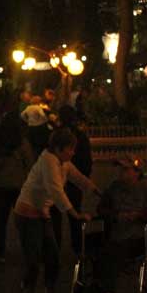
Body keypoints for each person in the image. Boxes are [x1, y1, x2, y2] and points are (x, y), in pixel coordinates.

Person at [13, 128, 99, 293]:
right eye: (70, 149)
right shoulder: (48, 162)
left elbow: (79, 178)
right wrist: (74, 214)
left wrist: (96, 191)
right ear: (59, 149)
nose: (73, 152)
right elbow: (56, 191)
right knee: (33, 258)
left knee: (52, 256)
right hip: (28, 215)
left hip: (42, 213)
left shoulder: (63, 163)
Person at [92, 157, 147, 293]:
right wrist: (115, 216)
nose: (121, 173)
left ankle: (107, 291)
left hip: (139, 236)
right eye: (120, 170)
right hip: (117, 233)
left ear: (136, 172)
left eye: (126, 170)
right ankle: (99, 288)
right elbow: (101, 209)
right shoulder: (113, 188)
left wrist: (140, 215)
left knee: (112, 252)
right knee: (96, 247)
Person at [0, 111, 35, 263]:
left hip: (1, 186)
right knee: (23, 220)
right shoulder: (22, 143)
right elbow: (30, 164)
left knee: (1, 221)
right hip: (19, 186)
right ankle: (27, 250)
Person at [55, 105, 93, 254]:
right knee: (74, 212)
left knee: (56, 214)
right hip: (74, 181)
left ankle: (56, 245)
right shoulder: (80, 135)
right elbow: (87, 159)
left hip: (59, 179)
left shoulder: (56, 136)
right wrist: (84, 177)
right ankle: (77, 245)